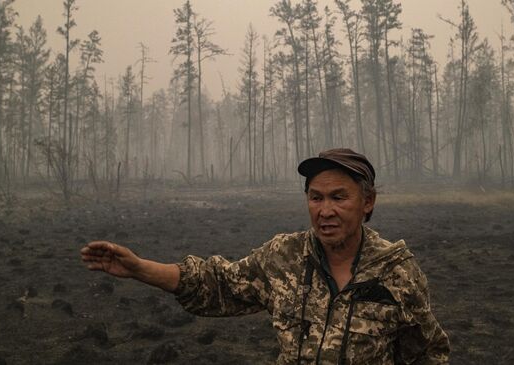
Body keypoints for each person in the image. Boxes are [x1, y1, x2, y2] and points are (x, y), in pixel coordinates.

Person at [80, 148, 450, 364]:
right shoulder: (284, 257)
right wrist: (139, 268)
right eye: (316, 197)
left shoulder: (396, 272)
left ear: (367, 202)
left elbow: (428, 354)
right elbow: (218, 284)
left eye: (339, 197)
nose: (325, 210)